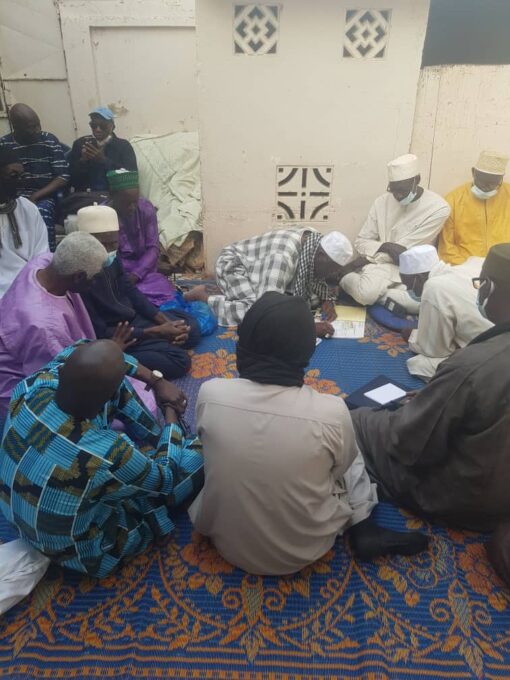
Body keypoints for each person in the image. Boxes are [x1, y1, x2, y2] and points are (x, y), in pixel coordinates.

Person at [188, 292, 428, 575]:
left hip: (227, 544)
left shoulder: (210, 393)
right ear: (305, 353)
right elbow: (341, 469)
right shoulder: (331, 412)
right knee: (349, 449)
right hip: (303, 550)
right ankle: (363, 525)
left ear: (245, 344)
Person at [0, 339, 203, 578]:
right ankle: (165, 440)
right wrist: (171, 416)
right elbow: (165, 479)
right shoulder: (110, 452)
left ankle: (155, 437)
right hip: (88, 552)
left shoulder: (32, 386)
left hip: (17, 518)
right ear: (99, 407)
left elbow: (86, 347)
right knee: (200, 453)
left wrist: (155, 380)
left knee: (110, 381)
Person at [352, 243, 510, 532]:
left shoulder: (470, 367)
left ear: (488, 287)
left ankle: (360, 523)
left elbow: (407, 441)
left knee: (355, 420)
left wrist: (421, 404)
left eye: (480, 285)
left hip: (465, 499)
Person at [78, 204, 200, 380]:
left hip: (136, 320)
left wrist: (163, 321)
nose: (109, 250)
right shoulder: (80, 278)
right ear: (85, 241)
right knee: (180, 361)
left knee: (191, 327)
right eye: (102, 244)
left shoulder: (112, 257)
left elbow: (130, 289)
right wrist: (155, 332)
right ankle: (138, 354)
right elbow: (100, 332)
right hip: (120, 336)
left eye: (113, 243)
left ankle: (165, 340)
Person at [186, 228, 353, 334]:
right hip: (235, 265)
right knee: (255, 313)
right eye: (331, 269)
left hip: (261, 267)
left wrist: (327, 301)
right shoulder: (282, 259)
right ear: (322, 256)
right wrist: (307, 330)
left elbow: (312, 278)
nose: (332, 275)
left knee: (309, 301)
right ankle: (204, 297)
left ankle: (235, 291)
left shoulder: (314, 242)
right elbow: (266, 310)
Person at [340, 154, 450, 311]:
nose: (397, 196)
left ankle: (376, 294)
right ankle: (345, 276)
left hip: (414, 269)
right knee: (367, 294)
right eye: (393, 190)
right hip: (382, 266)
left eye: (402, 190)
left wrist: (364, 260)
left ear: (416, 180)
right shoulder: (382, 202)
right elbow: (361, 241)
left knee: (428, 301)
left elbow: (404, 252)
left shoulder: (439, 208)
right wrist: (386, 246)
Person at [399, 245, 492, 380]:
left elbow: (435, 351)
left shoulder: (434, 287)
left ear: (418, 278)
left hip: (495, 357)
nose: (408, 290)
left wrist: (413, 336)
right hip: (501, 337)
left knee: (419, 364)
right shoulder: (473, 263)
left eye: (408, 285)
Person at [0, 104, 70, 251]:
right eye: (31, 127)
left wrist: (35, 196)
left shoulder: (49, 140)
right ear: (16, 127)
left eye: (38, 124)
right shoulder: (4, 144)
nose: (37, 130)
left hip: (43, 196)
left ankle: (46, 258)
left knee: (40, 212)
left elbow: (63, 176)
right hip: (11, 197)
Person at [107, 168, 177, 306]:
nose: (132, 207)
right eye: (127, 203)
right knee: (118, 297)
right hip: (118, 273)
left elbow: (153, 248)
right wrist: (127, 277)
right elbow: (107, 256)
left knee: (167, 292)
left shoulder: (145, 208)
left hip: (144, 272)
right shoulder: (104, 216)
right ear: (113, 197)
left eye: (135, 201)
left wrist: (137, 274)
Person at [439, 150, 510, 265]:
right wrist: (467, 268)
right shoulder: (453, 200)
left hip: (505, 266)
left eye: (492, 184)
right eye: (482, 182)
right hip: (463, 267)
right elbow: (447, 249)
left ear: (501, 178)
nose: (486, 188)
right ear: (473, 172)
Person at [0, 147, 48, 297]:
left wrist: (32, 284)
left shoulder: (27, 208)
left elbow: (41, 254)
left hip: (29, 284)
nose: (19, 181)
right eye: (13, 176)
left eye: (22, 176)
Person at [69, 107, 137, 193]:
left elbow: (131, 180)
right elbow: (71, 180)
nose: (98, 129)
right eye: (94, 125)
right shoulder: (80, 144)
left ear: (112, 127)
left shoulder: (123, 146)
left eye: (103, 125)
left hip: (113, 197)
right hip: (85, 197)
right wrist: (83, 161)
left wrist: (104, 161)